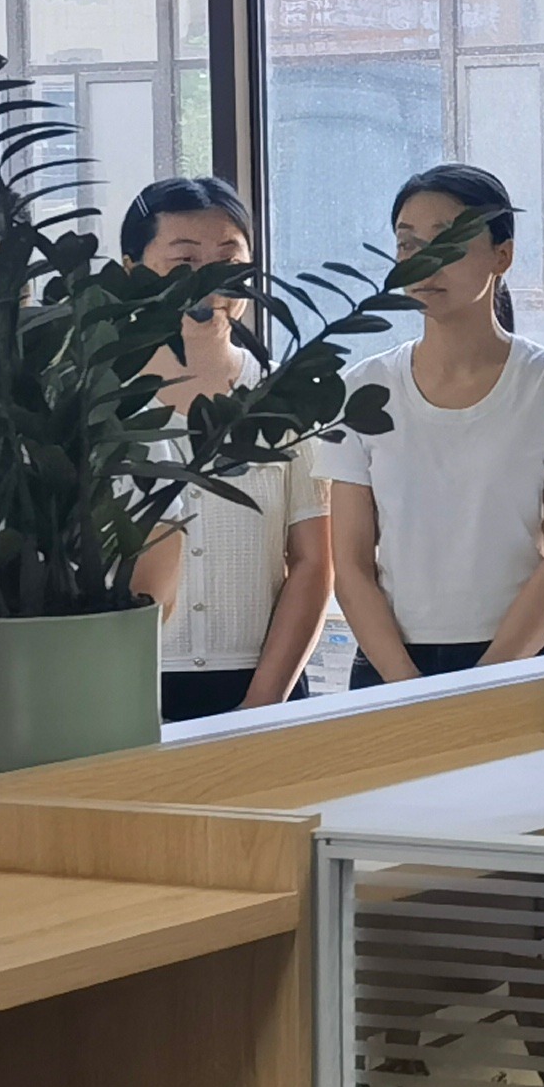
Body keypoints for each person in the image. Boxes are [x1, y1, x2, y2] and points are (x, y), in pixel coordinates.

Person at [328, 164, 544, 690]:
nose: (425, 261)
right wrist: (406, 685)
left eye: (448, 240)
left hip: (524, 657)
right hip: (390, 666)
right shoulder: (362, 388)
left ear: (502, 255)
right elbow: (351, 566)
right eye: (408, 244)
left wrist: (483, 686)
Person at [121, 175, 333, 721]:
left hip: (265, 687)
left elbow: (313, 562)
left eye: (228, 261)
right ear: (132, 271)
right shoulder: (95, 402)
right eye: (184, 262)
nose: (210, 282)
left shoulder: (285, 398)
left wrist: (261, 705)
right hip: (120, 686)